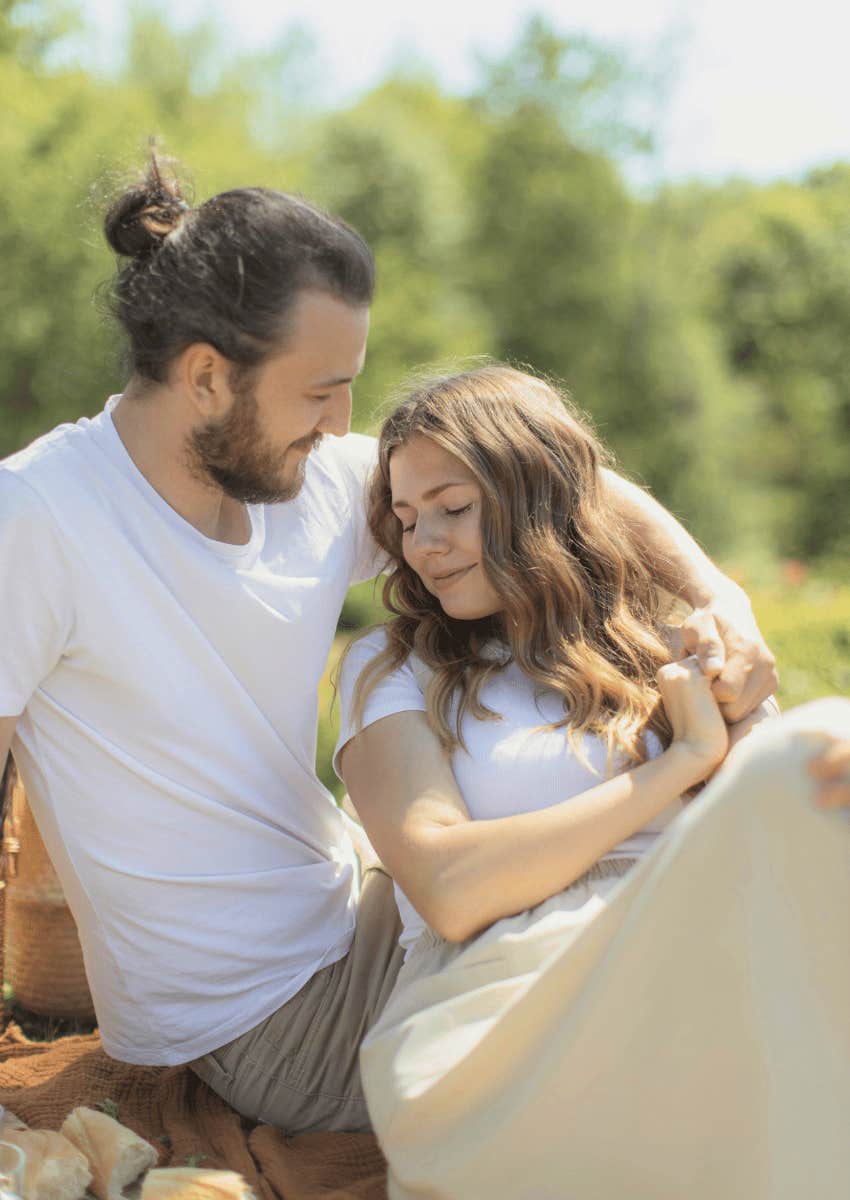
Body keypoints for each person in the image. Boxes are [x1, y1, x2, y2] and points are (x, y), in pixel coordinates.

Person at [0, 154, 783, 1137]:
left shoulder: (306, 476)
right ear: (206, 377)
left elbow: (554, 481)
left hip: (360, 915)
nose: (341, 424)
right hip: (275, 1018)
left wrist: (720, 601)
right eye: (321, 392)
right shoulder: (38, 517)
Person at [334, 365, 850, 1198]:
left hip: (697, 970)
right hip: (496, 1014)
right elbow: (449, 888)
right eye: (406, 518)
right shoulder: (393, 666)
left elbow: (771, 825)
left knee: (822, 758)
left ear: (535, 494)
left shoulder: (669, 646)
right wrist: (679, 764)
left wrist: (768, 744)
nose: (423, 543)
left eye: (453, 508)